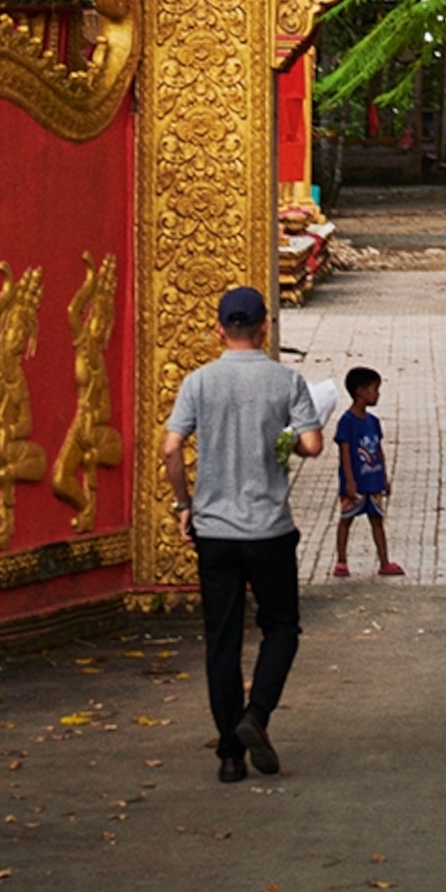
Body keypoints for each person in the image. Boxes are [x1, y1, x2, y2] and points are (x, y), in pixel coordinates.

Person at [160, 284, 324, 783]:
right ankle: (258, 714)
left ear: (218, 329)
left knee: (222, 640)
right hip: (269, 529)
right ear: (264, 328)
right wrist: (286, 441)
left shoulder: (199, 383)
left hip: (214, 529)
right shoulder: (286, 381)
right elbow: (313, 445)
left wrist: (184, 504)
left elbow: (170, 448)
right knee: (281, 627)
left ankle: (230, 755)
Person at [332, 366, 404, 577]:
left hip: (372, 480)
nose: (378, 394)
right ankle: (341, 561)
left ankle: (384, 561)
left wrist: (383, 476)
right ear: (361, 391)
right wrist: (349, 480)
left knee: (377, 520)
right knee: (346, 520)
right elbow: (345, 452)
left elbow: (378, 450)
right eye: (375, 389)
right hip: (356, 481)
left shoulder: (373, 422)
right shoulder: (347, 423)